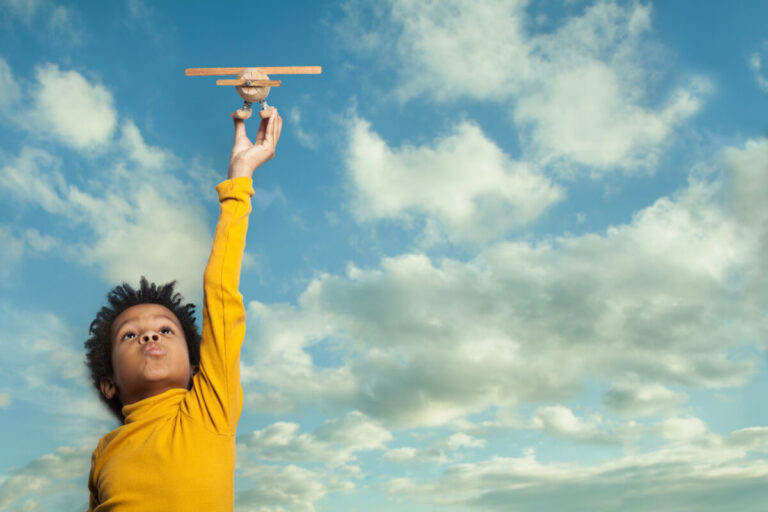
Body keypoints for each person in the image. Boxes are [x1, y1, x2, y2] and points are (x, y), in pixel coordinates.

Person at [83, 109, 283, 511]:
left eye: (165, 330)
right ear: (109, 384)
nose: (149, 335)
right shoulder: (104, 451)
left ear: (196, 368)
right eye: (130, 335)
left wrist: (239, 179)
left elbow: (221, 292)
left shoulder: (209, 408)